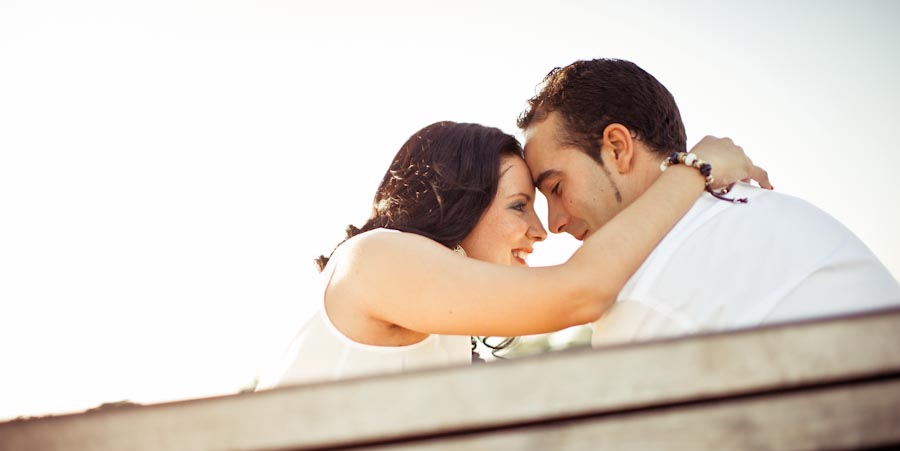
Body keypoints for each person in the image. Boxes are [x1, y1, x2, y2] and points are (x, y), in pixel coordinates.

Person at [256, 121, 767, 389]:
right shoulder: (373, 259)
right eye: (520, 205)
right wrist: (693, 168)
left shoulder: (435, 325)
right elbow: (579, 293)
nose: (541, 230)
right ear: (457, 200)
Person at [518, 58, 900, 346]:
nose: (553, 223)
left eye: (556, 188)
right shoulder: (765, 214)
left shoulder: (649, 291)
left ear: (618, 148)